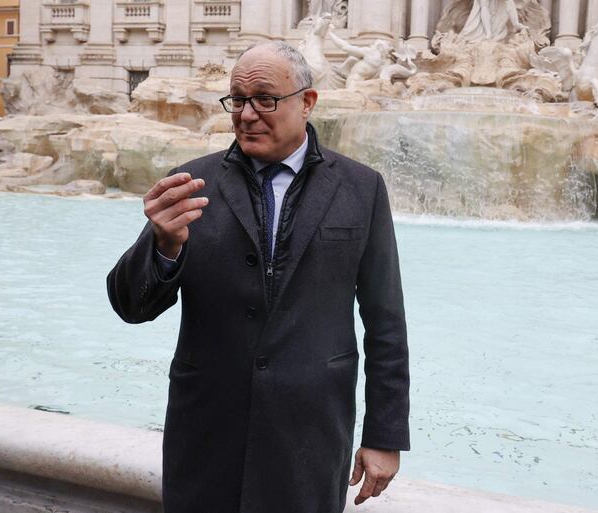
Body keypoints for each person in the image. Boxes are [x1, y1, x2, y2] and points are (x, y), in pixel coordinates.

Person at [107, 41, 409, 513]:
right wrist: (162, 246)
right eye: (238, 100)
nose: (247, 114)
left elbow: (385, 318)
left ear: (307, 103)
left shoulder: (362, 187)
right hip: (205, 433)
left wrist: (385, 435)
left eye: (265, 99)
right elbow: (131, 306)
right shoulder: (189, 184)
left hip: (310, 435)